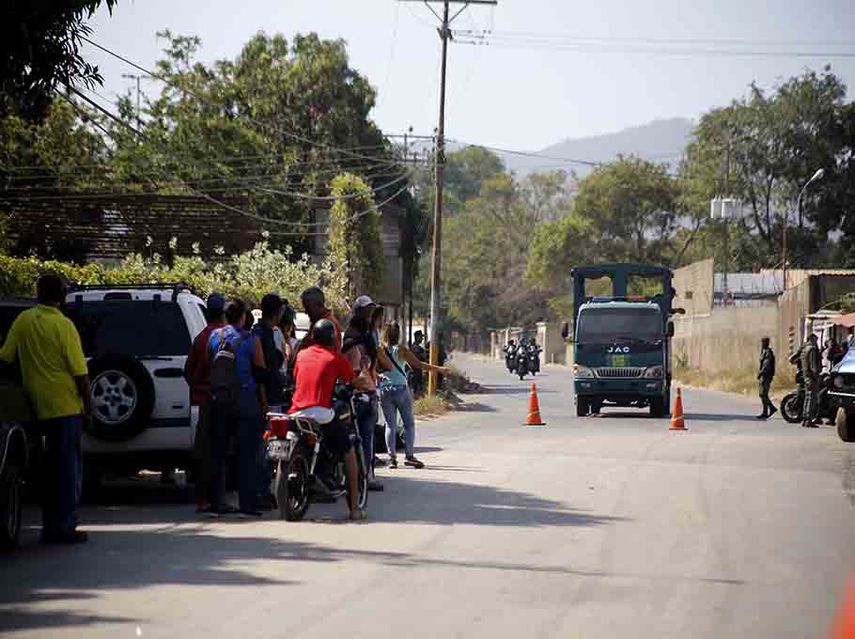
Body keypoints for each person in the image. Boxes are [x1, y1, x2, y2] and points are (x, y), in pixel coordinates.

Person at [0, 274, 90, 543]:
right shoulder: (64, 326)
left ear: (38, 293)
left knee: (47, 470)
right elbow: (80, 372)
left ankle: (49, 524)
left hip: (34, 406)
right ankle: (63, 527)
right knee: (67, 470)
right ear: (61, 296)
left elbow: (5, 356)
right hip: (65, 406)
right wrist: (89, 405)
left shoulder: (23, 320)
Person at [289, 318, 371, 520]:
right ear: (333, 339)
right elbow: (354, 382)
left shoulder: (301, 355)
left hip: (295, 413)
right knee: (349, 451)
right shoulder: (334, 358)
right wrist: (363, 376)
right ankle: (354, 509)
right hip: (320, 414)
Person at [207, 299, 269, 517]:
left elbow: (210, 367)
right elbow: (261, 375)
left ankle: (216, 503)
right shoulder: (251, 340)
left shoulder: (214, 336)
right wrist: (264, 405)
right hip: (245, 400)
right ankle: (247, 505)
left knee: (219, 453)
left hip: (220, 400)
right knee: (247, 454)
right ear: (243, 317)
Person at [379, 321, 450, 469]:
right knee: (408, 424)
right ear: (398, 334)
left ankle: (392, 459)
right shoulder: (401, 350)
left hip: (384, 389)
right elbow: (419, 365)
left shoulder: (380, 350)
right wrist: (439, 369)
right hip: (400, 389)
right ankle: (409, 455)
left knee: (390, 425)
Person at [342, 295, 392, 491]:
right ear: (357, 312)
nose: (369, 314)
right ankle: (359, 477)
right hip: (356, 390)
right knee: (357, 439)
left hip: (367, 390)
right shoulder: (355, 336)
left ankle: (366, 476)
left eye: (370, 310)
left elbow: (373, 363)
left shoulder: (366, 335)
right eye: (365, 310)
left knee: (365, 437)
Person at [184, 292, 226, 513]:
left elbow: (188, 372)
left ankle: (203, 500)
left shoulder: (201, 338)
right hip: (222, 401)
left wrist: (198, 389)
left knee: (203, 453)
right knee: (220, 451)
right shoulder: (227, 337)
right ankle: (217, 499)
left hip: (203, 402)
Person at [253, 294, 286, 412]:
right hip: (267, 400)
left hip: (270, 396)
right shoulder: (263, 335)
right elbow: (260, 373)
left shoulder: (266, 332)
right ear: (277, 313)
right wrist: (264, 404)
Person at [299, 286, 342, 352]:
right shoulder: (316, 321)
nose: (306, 312)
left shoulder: (328, 325)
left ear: (319, 305)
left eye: (308, 308)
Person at [800, 333, 821, 428]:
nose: (816, 342)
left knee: (807, 397)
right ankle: (808, 419)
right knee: (811, 398)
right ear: (812, 339)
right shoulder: (811, 349)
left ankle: (805, 418)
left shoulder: (804, 349)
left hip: (806, 375)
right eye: (815, 339)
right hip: (811, 377)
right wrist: (816, 375)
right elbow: (813, 365)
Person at [756, 336, 777, 419]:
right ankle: (768, 410)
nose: (762, 344)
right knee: (763, 394)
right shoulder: (764, 351)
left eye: (763, 342)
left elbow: (766, 365)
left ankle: (770, 409)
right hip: (764, 375)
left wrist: (760, 373)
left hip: (766, 376)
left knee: (763, 393)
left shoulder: (768, 352)